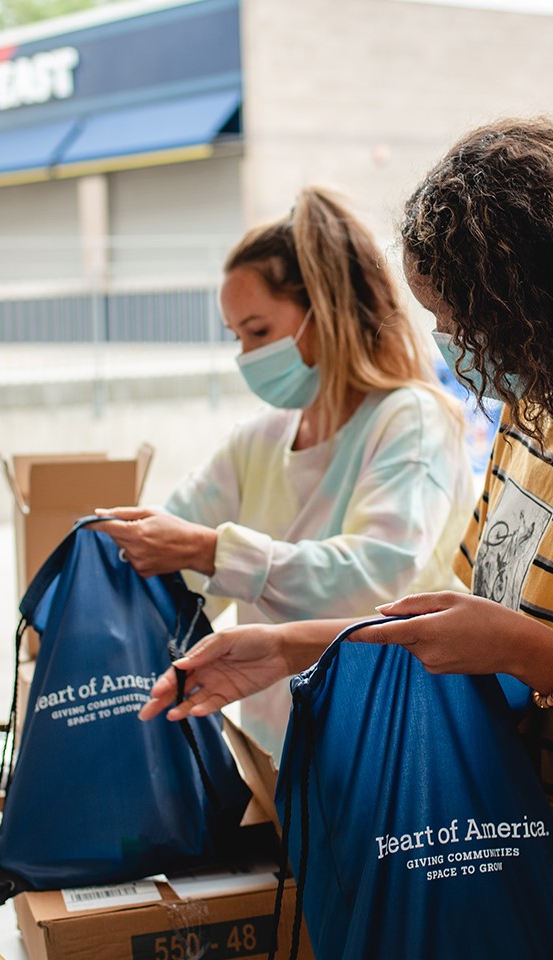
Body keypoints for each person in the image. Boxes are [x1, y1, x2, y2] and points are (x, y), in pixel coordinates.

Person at [142, 118, 553, 960]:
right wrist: (288, 647)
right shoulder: (537, 420)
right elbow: (464, 619)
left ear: (531, 299)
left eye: (459, 317)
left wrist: (529, 652)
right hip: (550, 838)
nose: (451, 344)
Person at [88, 187, 476, 754]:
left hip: (391, 742)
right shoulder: (260, 439)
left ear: (325, 309)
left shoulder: (409, 420)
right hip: (279, 744)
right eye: (238, 337)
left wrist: (210, 551)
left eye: (259, 331)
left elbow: (374, 577)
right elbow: (173, 555)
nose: (245, 356)